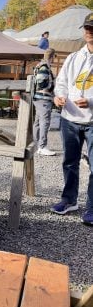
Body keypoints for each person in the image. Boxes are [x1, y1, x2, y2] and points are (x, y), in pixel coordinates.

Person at [51, 12, 93, 225]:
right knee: (69, 162)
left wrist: (92, 102)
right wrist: (59, 96)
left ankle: (92, 208)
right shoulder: (74, 57)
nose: (90, 32)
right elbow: (61, 82)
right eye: (87, 28)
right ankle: (69, 200)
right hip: (70, 118)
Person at [33, 48, 56, 156]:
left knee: (37, 122)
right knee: (44, 122)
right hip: (43, 98)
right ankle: (42, 146)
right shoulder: (44, 67)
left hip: (38, 98)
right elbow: (41, 82)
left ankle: (37, 145)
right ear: (52, 56)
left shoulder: (40, 65)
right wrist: (52, 87)